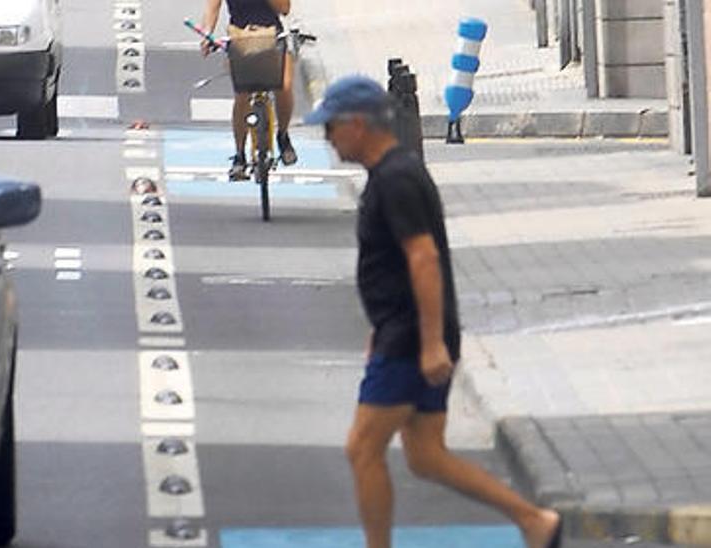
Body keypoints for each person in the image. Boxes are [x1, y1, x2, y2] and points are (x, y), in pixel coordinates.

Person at [304, 75, 563, 548]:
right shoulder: (393, 173)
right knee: (425, 455)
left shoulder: (397, 179)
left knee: (363, 448)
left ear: (357, 124)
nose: (328, 138)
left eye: (331, 128)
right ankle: (534, 521)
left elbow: (423, 259)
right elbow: (397, 266)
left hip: (412, 338)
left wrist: (427, 343)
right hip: (404, 331)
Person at [199, 0, 297, 181]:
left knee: (284, 85)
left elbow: (284, 9)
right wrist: (207, 34)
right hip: (240, 36)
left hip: (272, 35)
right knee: (242, 95)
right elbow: (213, 7)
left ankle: (283, 136)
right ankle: (239, 155)